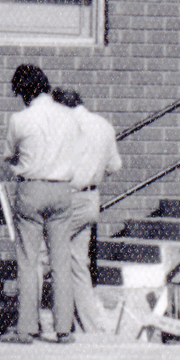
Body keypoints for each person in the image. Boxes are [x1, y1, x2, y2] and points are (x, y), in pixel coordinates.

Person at [2, 63, 81, 344]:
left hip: (31, 189)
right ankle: (63, 328)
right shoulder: (70, 116)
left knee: (27, 260)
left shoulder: (19, 119)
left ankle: (26, 328)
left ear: (23, 92)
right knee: (61, 260)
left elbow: (10, 156)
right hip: (62, 189)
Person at [56, 88, 122, 333]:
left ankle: (37, 319)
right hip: (92, 197)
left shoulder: (68, 127)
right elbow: (115, 165)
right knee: (77, 263)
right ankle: (91, 327)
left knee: (41, 252)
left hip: (69, 197)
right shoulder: (103, 125)